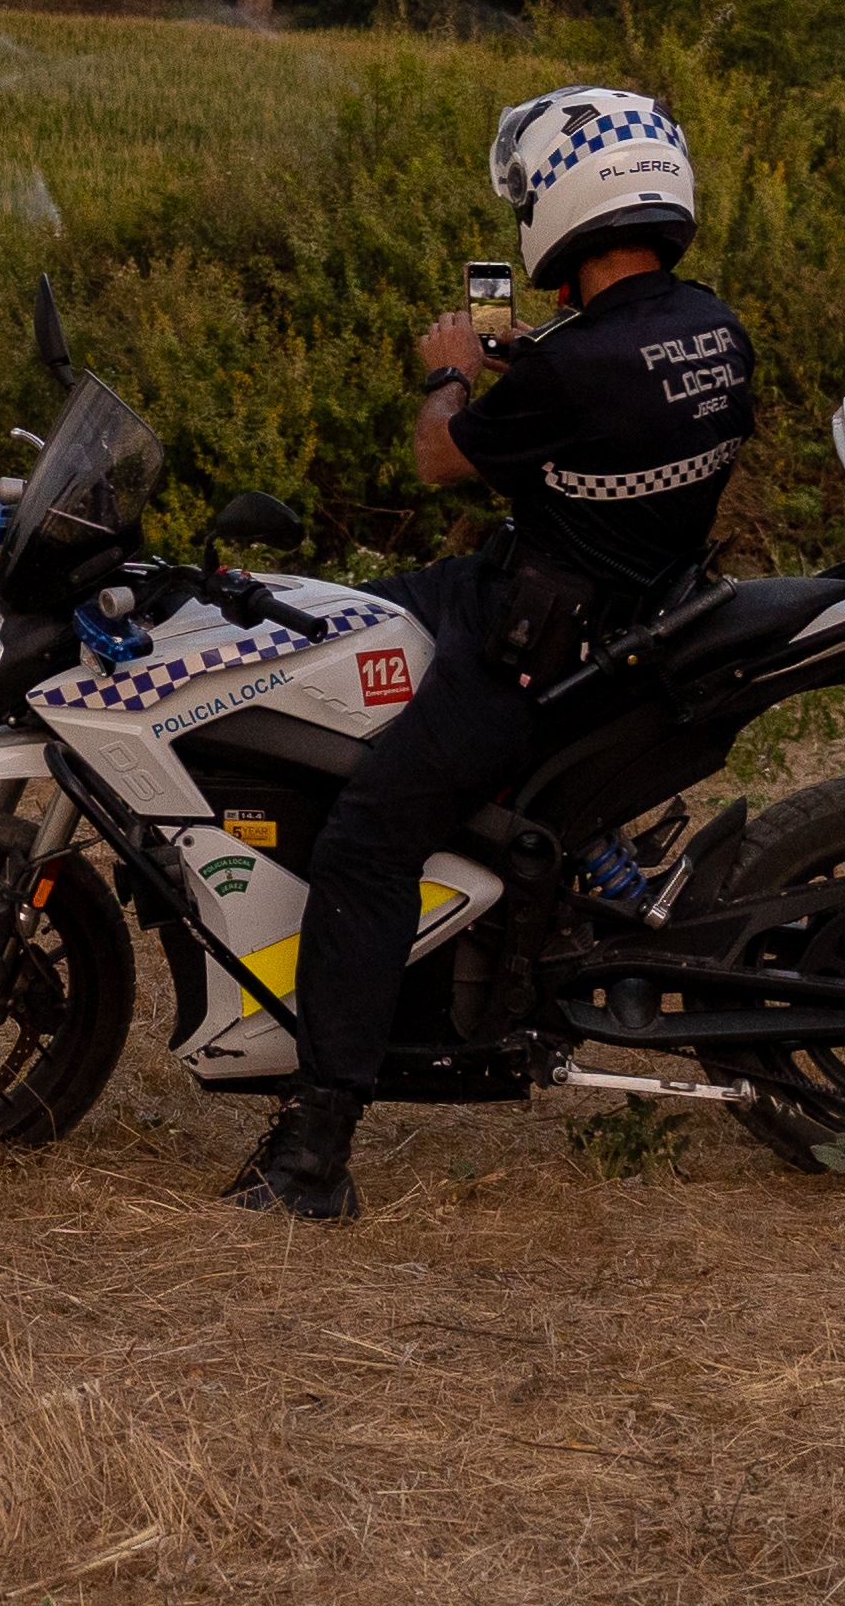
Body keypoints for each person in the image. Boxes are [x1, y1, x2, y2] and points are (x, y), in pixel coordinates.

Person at [228, 83, 756, 1220]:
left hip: (543, 642)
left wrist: (455, 365)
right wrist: (532, 360)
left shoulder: (569, 368)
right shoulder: (709, 325)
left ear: (564, 205)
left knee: (368, 842)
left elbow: (438, 459)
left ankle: (314, 1155)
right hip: (615, 601)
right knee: (329, 631)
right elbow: (619, 402)